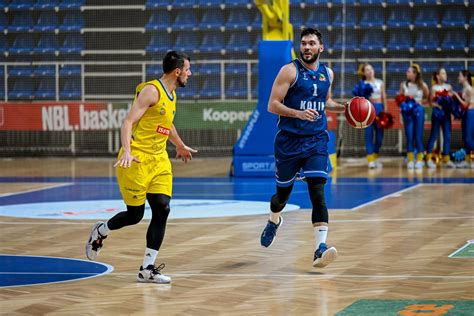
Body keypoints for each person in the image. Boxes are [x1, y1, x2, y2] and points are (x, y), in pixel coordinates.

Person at [85, 51, 196, 284]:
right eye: (187, 69)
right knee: (135, 215)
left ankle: (147, 268)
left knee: (162, 208)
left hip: (159, 160)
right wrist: (126, 150)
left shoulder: (172, 93)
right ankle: (101, 230)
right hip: (136, 159)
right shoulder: (151, 91)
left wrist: (180, 144)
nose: (190, 73)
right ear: (177, 71)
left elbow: (165, 124)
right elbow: (128, 122)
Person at [259, 27, 346, 268]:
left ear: (321, 48)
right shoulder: (289, 71)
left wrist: (345, 108)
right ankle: (274, 220)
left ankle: (320, 248)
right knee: (281, 197)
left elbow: (325, 101)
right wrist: (297, 113)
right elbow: (272, 104)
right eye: (304, 43)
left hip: (317, 140)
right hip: (289, 141)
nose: (306, 47)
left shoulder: (328, 73)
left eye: (311, 43)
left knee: (317, 192)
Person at [398, 64, 430, 170]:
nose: (407, 73)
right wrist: (404, 104)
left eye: (409, 71)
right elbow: (400, 98)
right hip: (407, 112)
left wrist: (420, 102)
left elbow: (428, 98)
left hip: (419, 111)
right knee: (409, 136)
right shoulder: (403, 85)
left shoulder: (423, 85)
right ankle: (411, 159)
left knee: (418, 136)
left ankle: (420, 160)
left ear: (415, 74)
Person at [356, 63, 388, 169]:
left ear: (374, 70)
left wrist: (385, 111)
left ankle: (375, 155)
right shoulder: (362, 84)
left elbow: (384, 97)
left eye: (371, 69)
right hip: (367, 110)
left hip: (379, 108)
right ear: (364, 73)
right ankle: (370, 159)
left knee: (380, 136)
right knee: (368, 134)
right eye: (367, 70)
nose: (369, 71)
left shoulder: (380, 82)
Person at [426, 68, 455, 169]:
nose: (445, 75)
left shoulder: (449, 87)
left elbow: (452, 101)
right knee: (434, 135)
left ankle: (446, 159)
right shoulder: (434, 88)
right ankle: (429, 158)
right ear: (438, 76)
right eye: (443, 73)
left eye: (445, 73)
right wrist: (437, 105)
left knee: (447, 136)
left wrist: (451, 109)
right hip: (437, 113)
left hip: (446, 114)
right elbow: (430, 102)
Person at [452, 70, 474, 169]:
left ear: (465, 77)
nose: (458, 77)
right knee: (465, 137)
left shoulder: (469, 89)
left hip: (470, 113)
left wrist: (456, 95)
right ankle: (468, 160)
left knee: (469, 138)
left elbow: (465, 104)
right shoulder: (464, 88)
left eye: (460, 76)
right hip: (466, 114)